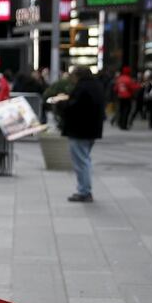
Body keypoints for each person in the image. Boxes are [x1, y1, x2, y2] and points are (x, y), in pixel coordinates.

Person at [54, 67, 106, 203]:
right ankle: (85, 190)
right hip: (92, 130)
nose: (71, 78)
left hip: (79, 130)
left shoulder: (82, 88)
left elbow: (74, 107)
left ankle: (84, 191)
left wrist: (61, 104)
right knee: (85, 159)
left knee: (81, 161)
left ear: (78, 76)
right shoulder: (96, 86)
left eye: (72, 76)